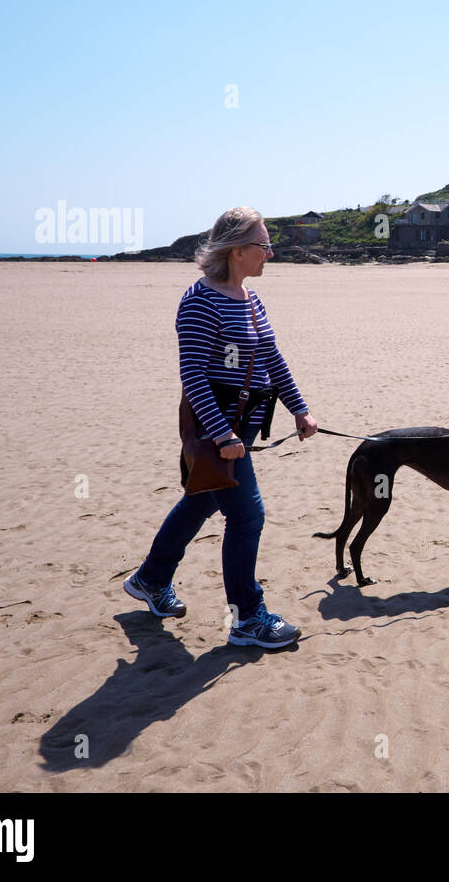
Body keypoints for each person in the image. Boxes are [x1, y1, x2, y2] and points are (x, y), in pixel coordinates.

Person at [125, 207, 319, 649]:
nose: (270, 252)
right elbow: (192, 376)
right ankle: (248, 618)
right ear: (236, 251)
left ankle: (150, 579)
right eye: (263, 245)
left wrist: (299, 409)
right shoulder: (200, 300)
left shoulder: (251, 300)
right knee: (247, 515)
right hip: (218, 426)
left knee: (201, 500)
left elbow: (272, 359)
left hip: (244, 427)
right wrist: (223, 435)